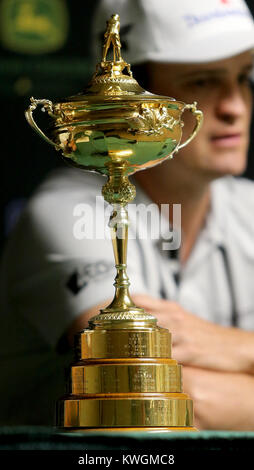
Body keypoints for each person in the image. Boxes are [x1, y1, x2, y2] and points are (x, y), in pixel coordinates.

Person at [1, 0, 254, 429]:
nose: (235, 106)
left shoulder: (247, 205)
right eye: (203, 81)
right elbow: (146, 400)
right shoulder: (66, 210)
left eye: (245, 77)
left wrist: (236, 347)